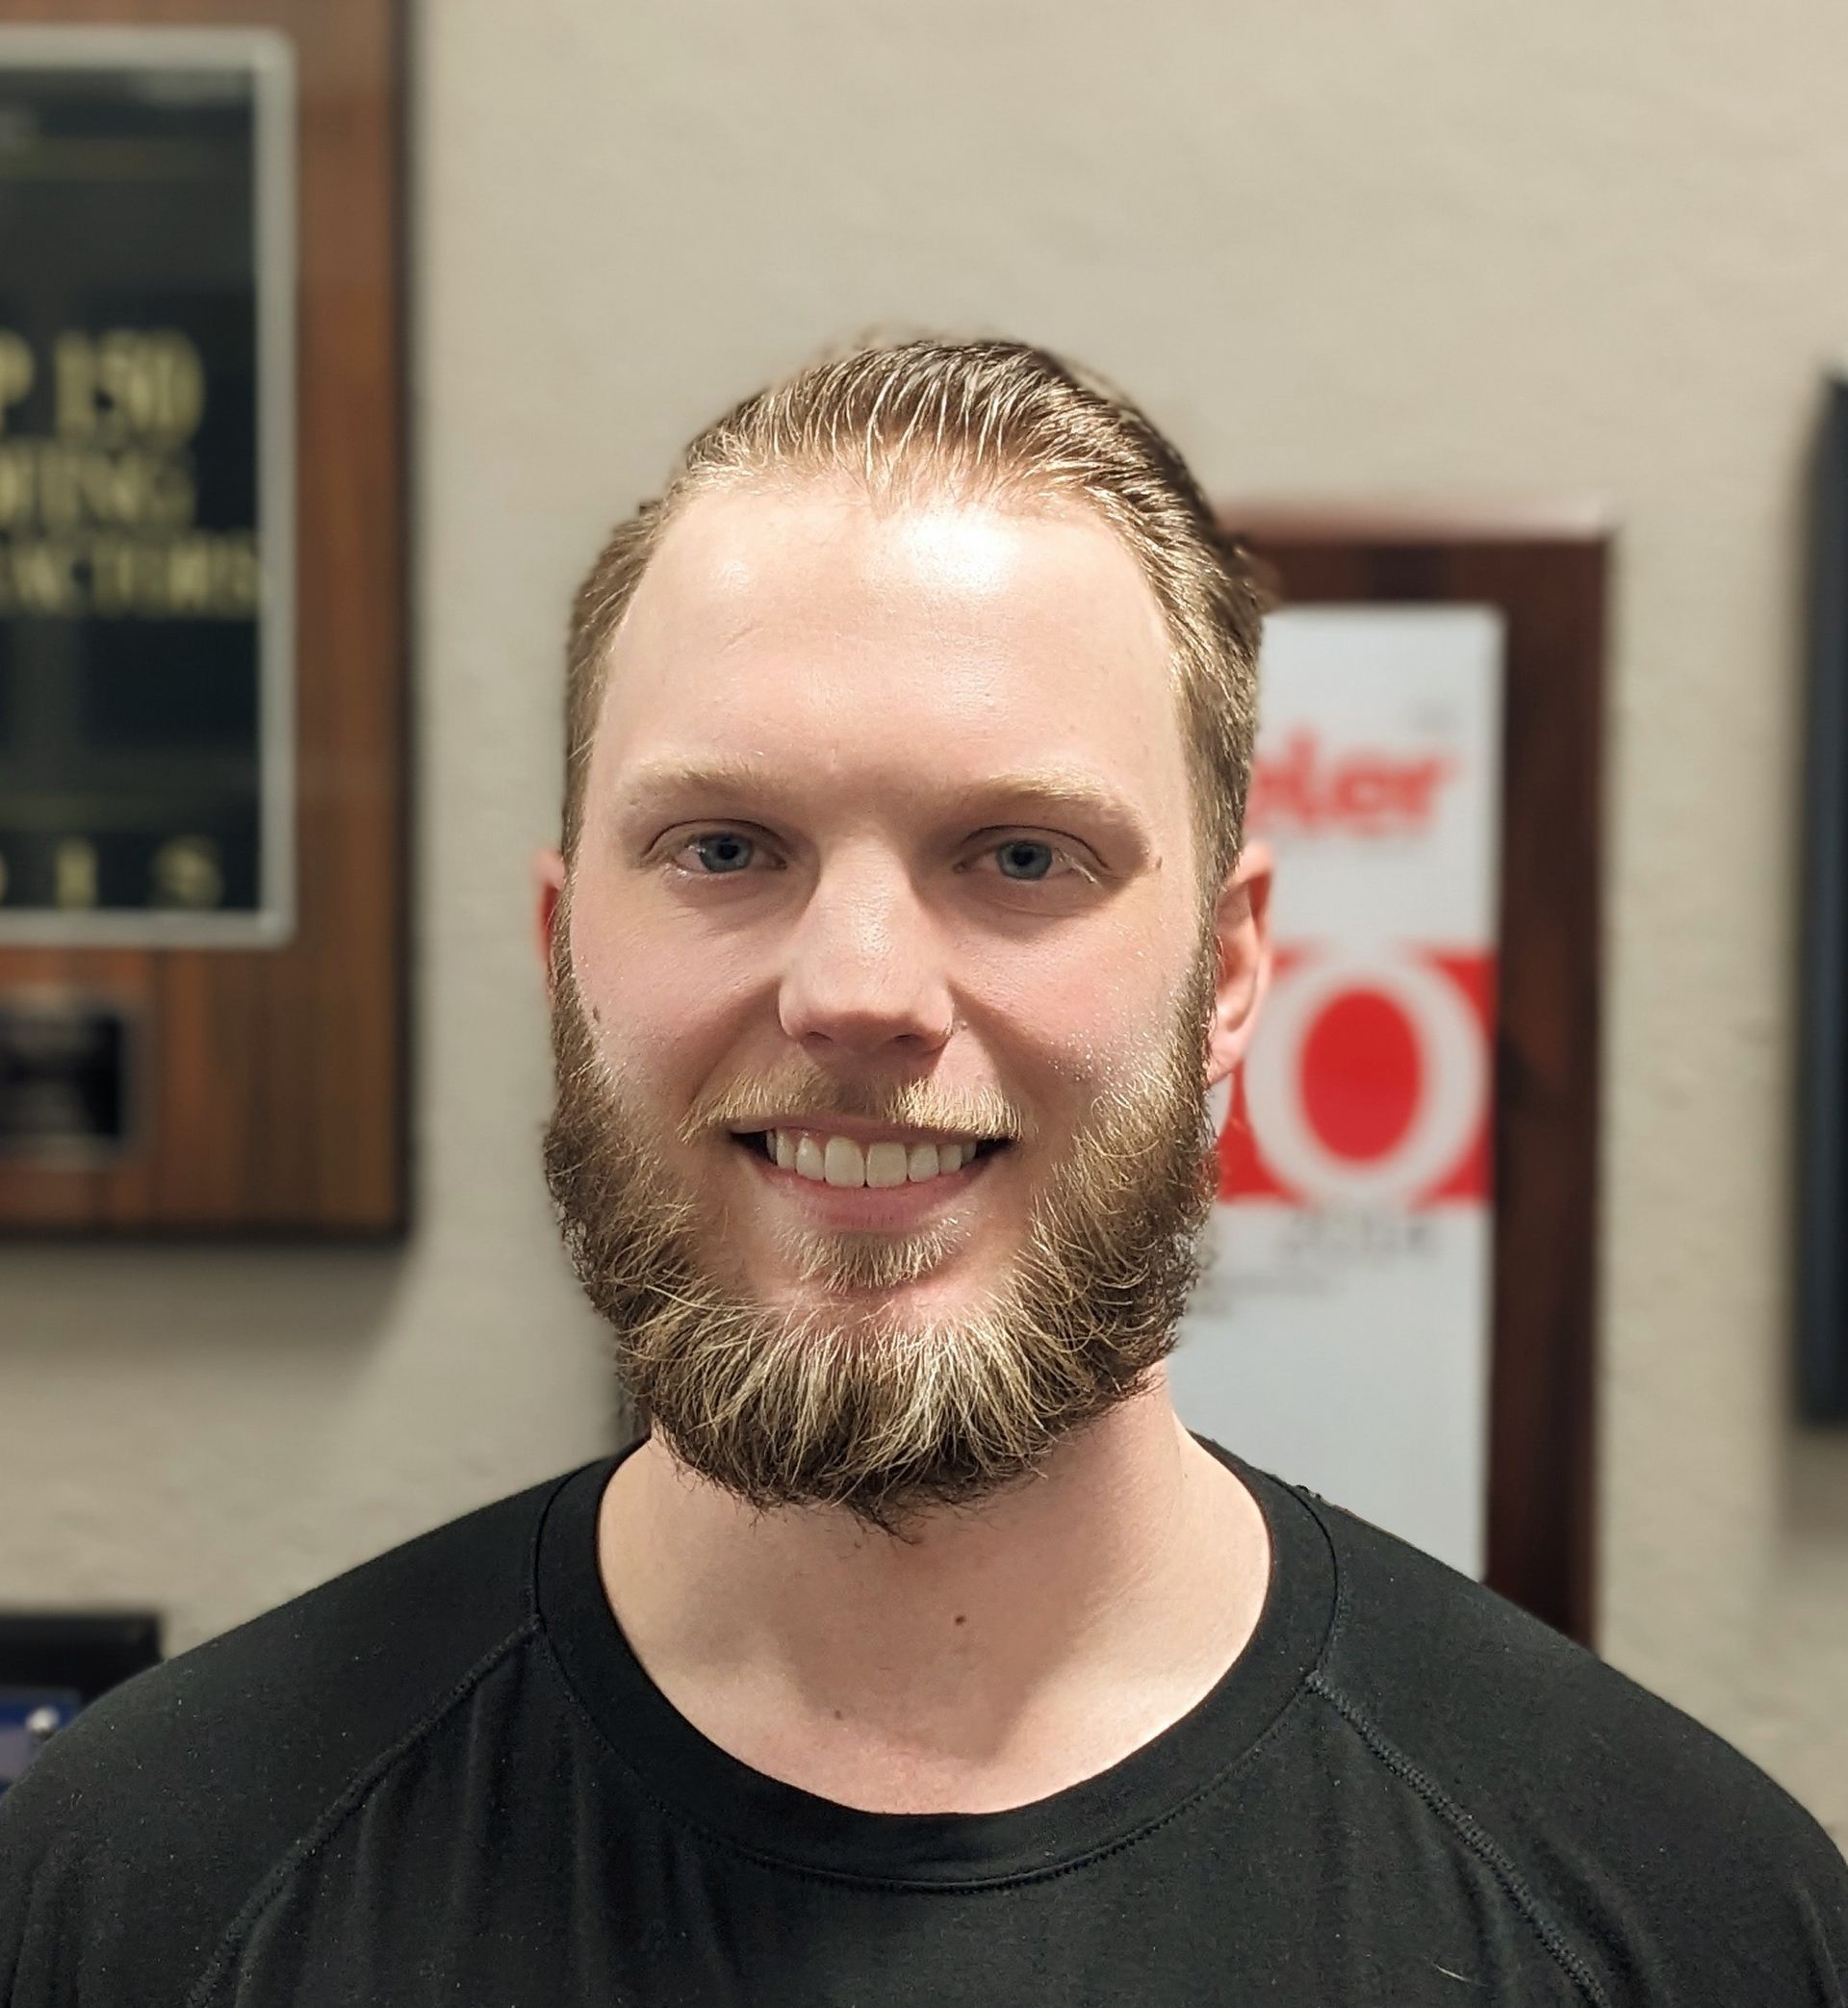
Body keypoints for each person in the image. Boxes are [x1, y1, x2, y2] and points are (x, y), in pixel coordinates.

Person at [2, 339, 1844, 2006]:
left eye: (1020, 858)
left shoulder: (1678, 1921)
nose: (861, 990)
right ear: (565, 946)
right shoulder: (140, 1893)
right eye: (726, 845)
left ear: (1231, 971)